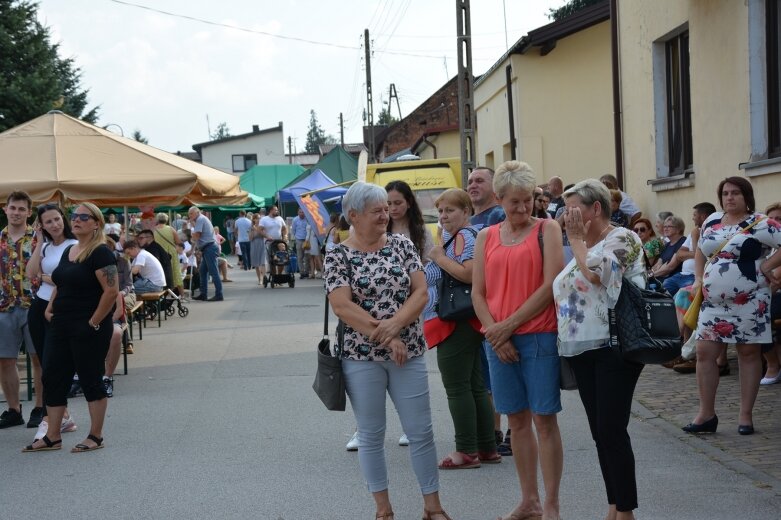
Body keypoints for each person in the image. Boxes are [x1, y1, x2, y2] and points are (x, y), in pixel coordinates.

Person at [325, 182, 451, 520]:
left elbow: (421, 292)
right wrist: (388, 336)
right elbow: (341, 306)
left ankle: (433, 506)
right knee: (371, 433)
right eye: (377, 210)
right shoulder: (338, 253)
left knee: (421, 430)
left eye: (387, 208)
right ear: (353, 216)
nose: (386, 215)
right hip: (360, 357)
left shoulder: (402, 244)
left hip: (407, 351)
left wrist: (396, 326)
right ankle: (383, 509)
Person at [472, 161, 564, 520]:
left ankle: (552, 503)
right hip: (498, 341)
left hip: (538, 336)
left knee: (544, 419)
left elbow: (550, 286)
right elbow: (478, 293)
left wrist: (505, 327)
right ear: (499, 199)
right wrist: (496, 334)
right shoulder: (486, 237)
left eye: (529, 200)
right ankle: (529, 500)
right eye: (515, 202)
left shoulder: (548, 229)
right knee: (517, 422)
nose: (524, 208)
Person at [552, 179, 646, 520]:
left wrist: (575, 241)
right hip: (583, 349)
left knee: (611, 429)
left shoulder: (622, 237)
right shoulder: (582, 246)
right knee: (599, 433)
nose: (567, 217)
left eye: (574, 208)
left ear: (596, 208)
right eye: (564, 210)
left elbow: (598, 275)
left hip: (615, 345)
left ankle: (626, 512)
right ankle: (615, 504)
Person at [683, 177, 781, 436]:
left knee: (748, 353)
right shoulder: (711, 221)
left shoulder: (760, 223)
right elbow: (701, 251)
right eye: (725, 193)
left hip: (750, 300)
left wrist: (767, 266)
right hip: (713, 302)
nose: (730, 198)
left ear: (746, 196)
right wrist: (697, 278)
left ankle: (745, 416)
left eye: (736, 193)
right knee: (704, 352)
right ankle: (706, 414)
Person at [24, 202, 118, 453]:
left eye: (83, 217)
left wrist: (94, 322)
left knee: (90, 379)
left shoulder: (100, 252)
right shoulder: (70, 251)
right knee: (52, 377)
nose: (76, 220)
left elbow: (111, 291)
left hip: (87, 325)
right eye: (74, 216)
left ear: (96, 223)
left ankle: (95, 436)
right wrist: (50, 307)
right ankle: (52, 436)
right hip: (60, 324)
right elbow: (60, 283)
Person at [423, 188, 498, 470]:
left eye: (450, 210)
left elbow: (468, 273)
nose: (443, 216)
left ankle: (466, 450)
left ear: (466, 212)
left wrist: (438, 257)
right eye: (441, 211)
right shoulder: (454, 237)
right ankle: (486, 446)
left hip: (458, 318)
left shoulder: (465, 237)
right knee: (474, 385)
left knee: (457, 387)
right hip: (466, 317)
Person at [25, 203, 79, 437]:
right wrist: (38, 239)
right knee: (45, 364)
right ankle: (63, 416)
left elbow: (72, 279)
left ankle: (50, 419)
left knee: (54, 364)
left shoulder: (74, 245)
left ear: (63, 219)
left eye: (56, 219)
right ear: (43, 225)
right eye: (48, 222)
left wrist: (47, 277)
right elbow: (31, 272)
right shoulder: (45, 247)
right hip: (39, 306)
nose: (54, 225)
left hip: (59, 309)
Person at [466, 167, 508, 454]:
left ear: (495, 189)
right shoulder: (469, 220)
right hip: (475, 304)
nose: (473, 185)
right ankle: (491, 431)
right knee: (484, 370)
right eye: (469, 181)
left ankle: (499, 431)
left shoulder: (497, 216)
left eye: (479, 180)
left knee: (496, 370)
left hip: (496, 303)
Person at [0, 191, 39, 429]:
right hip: (4, 306)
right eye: (13, 208)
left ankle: (41, 407)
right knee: (5, 360)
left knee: (39, 358)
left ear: (29, 212)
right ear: (5, 209)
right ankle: (14, 409)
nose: (16, 213)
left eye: (21, 209)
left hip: (34, 304)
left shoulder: (38, 239)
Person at [387, 180, 434, 263]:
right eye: (389, 203)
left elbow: (428, 262)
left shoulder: (422, 231)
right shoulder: (379, 230)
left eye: (398, 203)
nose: (393, 208)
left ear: (409, 203)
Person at [761, 202, 781, 385]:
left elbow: (776, 280)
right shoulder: (764, 243)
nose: (774, 222)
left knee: (758, 316)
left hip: (776, 292)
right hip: (768, 292)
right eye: (771, 219)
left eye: (779, 219)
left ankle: (773, 365)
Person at [188, 207, 223, 302]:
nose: (189, 216)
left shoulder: (200, 219)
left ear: (197, 212)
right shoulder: (201, 219)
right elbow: (198, 234)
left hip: (209, 248)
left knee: (213, 272)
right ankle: (204, 294)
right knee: (203, 271)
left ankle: (219, 294)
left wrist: (191, 236)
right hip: (208, 248)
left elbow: (197, 235)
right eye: (189, 214)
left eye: (191, 213)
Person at [650, 216, 686, 284]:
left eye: (669, 226)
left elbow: (670, 267)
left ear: (678, 229)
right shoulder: (667, 245)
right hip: (661, 278)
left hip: (674, 281)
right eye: (664, 226)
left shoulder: (683, 242)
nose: (665, 229)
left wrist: (651, 276)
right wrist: (650, 273)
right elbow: (658, 264)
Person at [153, 213, 183, 294]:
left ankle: (165, 294)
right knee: (176, 273)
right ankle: (182, 295)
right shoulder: (171, 229)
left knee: (162, 273)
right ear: (166, 220)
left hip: (159, 254)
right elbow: (178, 242)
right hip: (171, 253)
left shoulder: (153, 230)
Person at [291, 208, 310, 278]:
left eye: (303, 212)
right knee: (300, 257)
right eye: (300, 212)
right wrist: (294, 239)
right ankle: (302, 272)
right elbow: (293, 230)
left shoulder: (307, 219)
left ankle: (307, 272)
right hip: (299, 239)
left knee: (307, 257)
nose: (302, 213)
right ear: (298, 213)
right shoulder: (295, 220)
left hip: (306, 240)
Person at [249, 213, 267, 285]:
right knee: (256, 264)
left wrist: (257, 229)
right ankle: (260, 279)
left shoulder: (262, 227)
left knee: (263, 262)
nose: (259, 220)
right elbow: (250, 238)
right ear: (254, 220)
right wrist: (253, 230)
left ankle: (264, 278)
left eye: (259, 218)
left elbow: (264, 235)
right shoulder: (251, 228)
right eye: (257, 218)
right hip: (254, 245)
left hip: (262, 244)